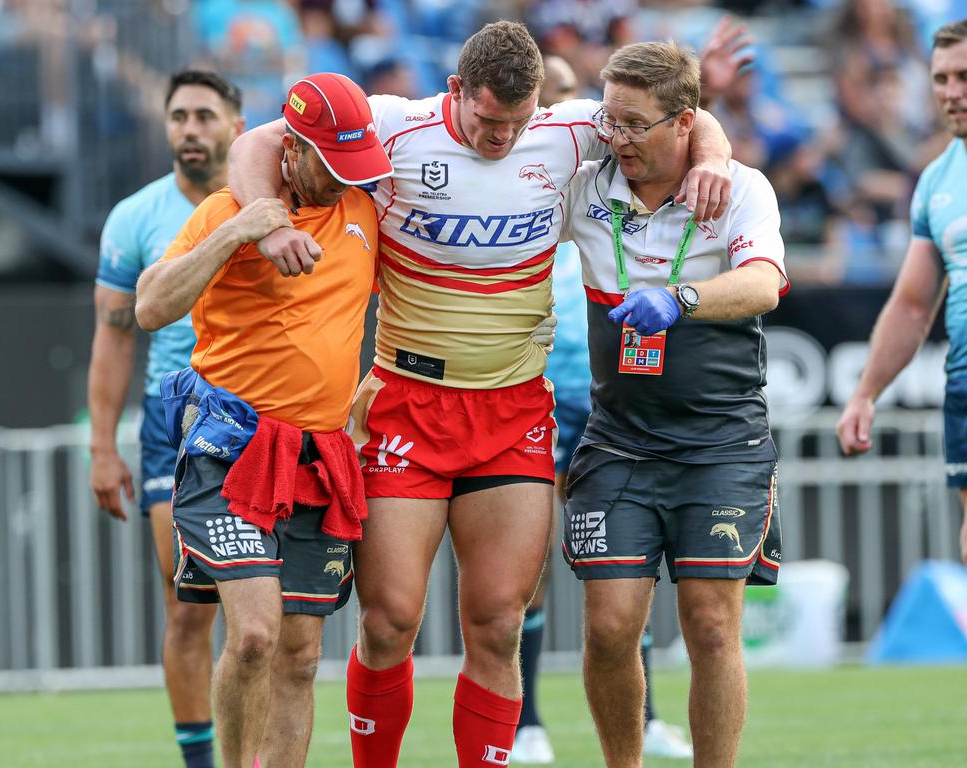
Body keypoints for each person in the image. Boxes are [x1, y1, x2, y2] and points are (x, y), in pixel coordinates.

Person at [227, 21, 733, 768]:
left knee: (498, 622)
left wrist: (715, 155)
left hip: (512, 409)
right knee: (391, 619)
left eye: (517, 122)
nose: (503, 137)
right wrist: (261, 223)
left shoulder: (565, 131)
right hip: (408, 399)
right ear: (456, 91)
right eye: (490, 121)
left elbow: (686, 115)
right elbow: (259, 144)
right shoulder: (397, 124)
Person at [133, 73, 392, 768]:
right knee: (252, 636)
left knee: (302, 657)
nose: (344, 182)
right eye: (331, 166)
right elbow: (150, 306)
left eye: (354, 168)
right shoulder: (230, 208)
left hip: (322, 457)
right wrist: (241, 230)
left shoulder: (365, 212)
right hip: (233, 451)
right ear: (295, 150)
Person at [558, 41, 787, 768]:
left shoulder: (740, 187)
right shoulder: (585, 181)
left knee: (712, 627)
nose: (615, 137)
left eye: (633, 125)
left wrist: (681, 298)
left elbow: (762, 285)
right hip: (619, 441)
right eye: (609, 121)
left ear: (684, 123)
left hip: (721, 442)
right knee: (609, 626)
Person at [510, 53, 692, 765]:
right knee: (527, 564)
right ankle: (528, 720)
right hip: (534, 394)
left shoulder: (602, 188)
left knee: (629, 558)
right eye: (544, 98)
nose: (556, 109)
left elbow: (695, 124)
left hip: (603, 395)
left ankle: (645, 720)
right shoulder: (524, 191)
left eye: (565, 97)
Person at [87, 69, 244, 768]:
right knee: (188, 605)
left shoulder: (264, 201)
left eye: (205, 116)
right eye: (178, 116)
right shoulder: (135, 217)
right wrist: (100, 447)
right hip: (171, 418)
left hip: (255, 412)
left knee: (266, 619)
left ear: (237, 126)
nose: (190, 129)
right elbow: (115, 335)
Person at [836, 20, 967, 566]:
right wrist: (866, 392)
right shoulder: (936, 181)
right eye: (941, 79)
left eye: (964, 77)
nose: (951, 93)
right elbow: (914, 303)